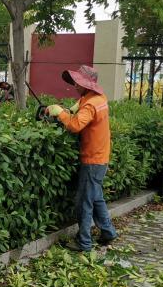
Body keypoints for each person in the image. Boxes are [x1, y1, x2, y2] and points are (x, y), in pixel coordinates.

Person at [45, 65, 118, 252]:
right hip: (101, 156)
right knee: (96, 197)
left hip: (93, 159)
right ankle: (108, 232)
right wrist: (73, 107)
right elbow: (83, 111)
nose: (75, 85)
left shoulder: (91, 104)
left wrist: (59, 112)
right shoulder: (98, 98)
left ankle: (84, 242)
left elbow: (76, 125)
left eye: (78, 83)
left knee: (84, 201)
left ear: (87, 84)